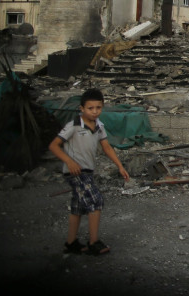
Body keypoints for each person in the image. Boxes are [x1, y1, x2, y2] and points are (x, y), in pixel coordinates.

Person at [48, 88, 129, 256]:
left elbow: (106, 147)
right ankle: (94, 242)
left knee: (77, 207)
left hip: (88, 171)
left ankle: (71, 243)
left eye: (98, 108)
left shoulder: (99, 127)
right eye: (90, 108)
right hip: (75, 172)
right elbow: (54, 146)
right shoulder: (74, 126)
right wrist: (69, 161)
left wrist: (120, 166)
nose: (94, 111)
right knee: (95, 201)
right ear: (82, 109)